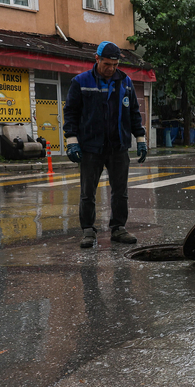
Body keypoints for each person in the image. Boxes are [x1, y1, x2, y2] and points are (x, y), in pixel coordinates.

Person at [63, 41, 148, 248]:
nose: (111, 69)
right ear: (97, 59)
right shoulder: (81, 82)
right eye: (107, 64)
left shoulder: (125, 82)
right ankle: (88, 230)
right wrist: (71, 141)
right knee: (87, 192)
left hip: (118, 146)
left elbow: (134, 113)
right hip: (91, 147)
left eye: (115, 65)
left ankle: (118, 228)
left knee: (120, 191)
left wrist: (140, 139)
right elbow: (71, 113)